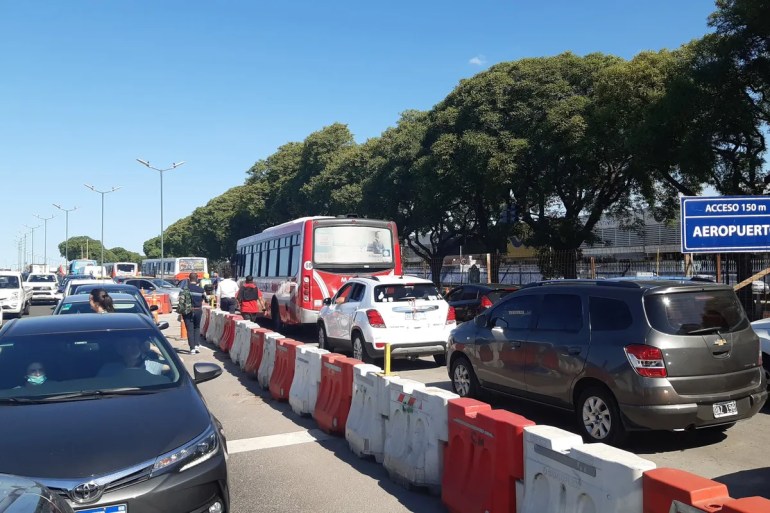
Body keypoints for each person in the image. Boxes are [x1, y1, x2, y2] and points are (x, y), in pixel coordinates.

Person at [99, 339, 168, 376]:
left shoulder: (150, 365)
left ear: (141, 348)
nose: (129, 348)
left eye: (133, 344)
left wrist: (153, 348)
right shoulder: (109, 368)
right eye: (124, 345)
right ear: (118, 350)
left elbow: (174, 364)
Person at [183, 273, 208, 354]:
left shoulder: (185, 289)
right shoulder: (201, 290)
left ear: (189, 279)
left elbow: (181, 301)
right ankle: (197, 345)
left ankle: (192, 348)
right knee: (197, 327)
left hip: (188, 311)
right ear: (197, 279)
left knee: (190, 329)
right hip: (198, 310)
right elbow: (206, 299)